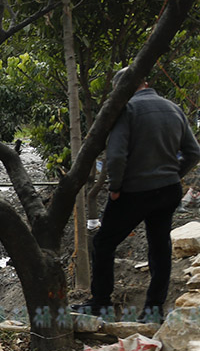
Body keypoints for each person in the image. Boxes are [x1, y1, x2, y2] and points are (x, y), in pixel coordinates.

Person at [75, 76, 200, 322]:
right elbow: (194, 152)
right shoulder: (173, 108)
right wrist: (175, 174)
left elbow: (116, 156)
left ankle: (100, 303)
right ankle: (153, 311)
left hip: (134, 191)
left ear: (120, 88)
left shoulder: (127, 110)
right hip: (168, 190)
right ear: (146, 83)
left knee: (104, 243)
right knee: (159, 247)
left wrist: (115, 187)